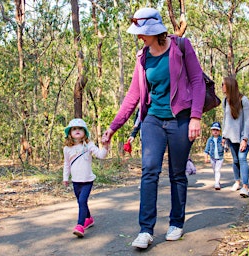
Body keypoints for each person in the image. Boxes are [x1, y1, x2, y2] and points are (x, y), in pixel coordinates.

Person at [100, 7, 206, 249]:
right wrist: (113, 127)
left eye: (143, 33)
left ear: (156, 30)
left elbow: (198, 81)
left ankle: (176, 223)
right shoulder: (142, 57)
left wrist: (196, 117)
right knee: (149, 170)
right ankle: (145, 230)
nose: (139, 37)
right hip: (153, 120)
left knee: (177, 173)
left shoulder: (181, 46)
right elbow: (133, 96)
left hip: (181, 118)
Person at [63, 118, 109, 238]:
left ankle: (80, 226)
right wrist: (65, 178)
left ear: (85, 132)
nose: (77, 131)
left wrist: (105, 147)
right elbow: (66, 164)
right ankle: (89, 219)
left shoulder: (89, 145)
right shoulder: (67, 149)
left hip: (87, 180)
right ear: (70, 133)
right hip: (75, 181)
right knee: (81, 202)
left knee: (82, 201)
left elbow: (101, 155)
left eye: (80, 129)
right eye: (74, 129)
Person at [221, 76, 249, 198]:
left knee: (242, 158)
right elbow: (225, 120)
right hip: (231, 136)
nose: (222, 87)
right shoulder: (225, 101)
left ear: (229, 85)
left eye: (223, 84)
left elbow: (247, 121)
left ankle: (245, 187)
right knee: (235, 160)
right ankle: (237, 182)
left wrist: (245, 138)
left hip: (243, 135)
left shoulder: (243, 100)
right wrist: (224, 136)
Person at [204, 122, 225, 190]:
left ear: (219, 131)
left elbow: (227, 149)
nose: (215, 131)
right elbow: (206, 150)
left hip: (220, 158)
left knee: (217, 170)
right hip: (212, 158)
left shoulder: (222, 139)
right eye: (214, 130)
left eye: (217, 130)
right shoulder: (210, 140)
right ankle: (217, 181)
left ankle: (216, 184)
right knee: (215, 170)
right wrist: (206, 157)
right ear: (211, 131)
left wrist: (223, 145)